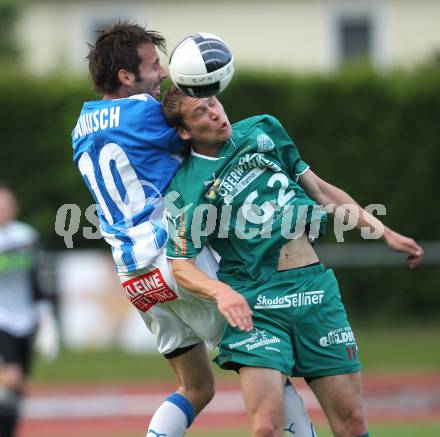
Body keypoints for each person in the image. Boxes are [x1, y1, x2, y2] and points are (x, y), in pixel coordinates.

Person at [72, 22, 317, 437]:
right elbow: (204, 133)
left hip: (134, 278)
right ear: (125, 77)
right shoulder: (144, 112)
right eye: (153, 67)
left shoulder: (79, 126)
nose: (164, 74)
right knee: (266, 357)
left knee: (195, 387)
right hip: (177, 258)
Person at [162, 86, 424, 437]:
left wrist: (383, 232)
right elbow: (180, 264)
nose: (214, 113)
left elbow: (319, 189)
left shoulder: (263, 129)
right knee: (266, 428)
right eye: (199, 113)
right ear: (184, 131)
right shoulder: (187, 187)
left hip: (314, 291)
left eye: (214, 103)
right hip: (258, 302)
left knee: (352, 423)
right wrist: (220, 293)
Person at [0, 183, 59, 437]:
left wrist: (47, 321)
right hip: (1, 320)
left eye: (6, 203)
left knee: (16, 388)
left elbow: (38, 281)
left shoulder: (26, 237)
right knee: (10, 377)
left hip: (25, 320)